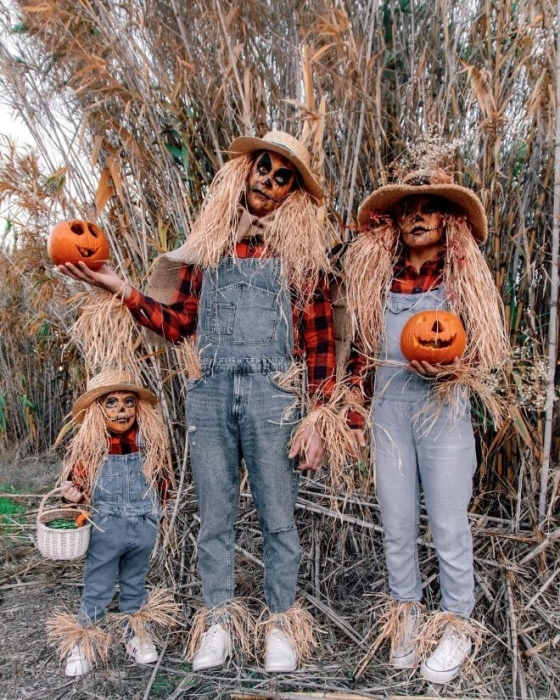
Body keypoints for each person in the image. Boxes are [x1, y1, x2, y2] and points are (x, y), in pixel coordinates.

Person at [57, 131, 338, 673]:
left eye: (284, 176)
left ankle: (280, 621)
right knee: (215, 519)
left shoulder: (302, 254)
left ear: (291, 190)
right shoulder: (206, 245)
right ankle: (219, 620)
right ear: (246, 171)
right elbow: (179, 322)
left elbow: (320, 342)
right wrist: (122, 288)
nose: (269, 181)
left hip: (272, 394)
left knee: (279, 518)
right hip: (208, 392)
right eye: (264, 167)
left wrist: (320, 418)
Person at [343, 166, 510, 684]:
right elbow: (360, 352)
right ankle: (406, 616)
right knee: (396, 524)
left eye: (430, 207)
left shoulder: (462, 278)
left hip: (444, 411)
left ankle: (458, 623)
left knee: (447, 524)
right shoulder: (376, 276)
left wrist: (457, 367)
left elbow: (484, 350)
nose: (418, 216)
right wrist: (349, 412)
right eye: (408, 209)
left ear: (448, 218)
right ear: (394, 220)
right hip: (389, 414)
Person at [46, 369, 177, 677]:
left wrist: (159, 511)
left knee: (135, 583)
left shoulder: (149, 443)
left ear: (138, 407)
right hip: (106, 528)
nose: (122, 410)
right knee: (98, 586)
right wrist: (71, 496)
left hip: (143, 525)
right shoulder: (91, 447)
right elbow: (75, 488)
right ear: (97, 410)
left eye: (129, 402)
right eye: (112, 403)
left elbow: (162, 482)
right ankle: (85, 642)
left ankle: (136, 635)